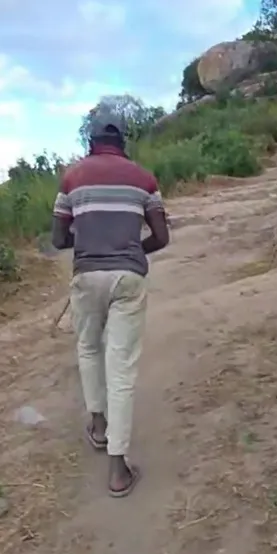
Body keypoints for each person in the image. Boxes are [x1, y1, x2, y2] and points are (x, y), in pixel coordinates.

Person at [52, 108, 170, 497]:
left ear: (91, 141)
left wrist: (92, 242)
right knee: (121, 369)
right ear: (122, 141)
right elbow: (161, 237)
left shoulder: (72, 178)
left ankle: (99, 426)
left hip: (87, 275)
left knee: (88, 348)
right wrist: (130, 249)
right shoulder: (143, 178)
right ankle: (118, 469)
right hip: (128, 278)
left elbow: (58, 238)